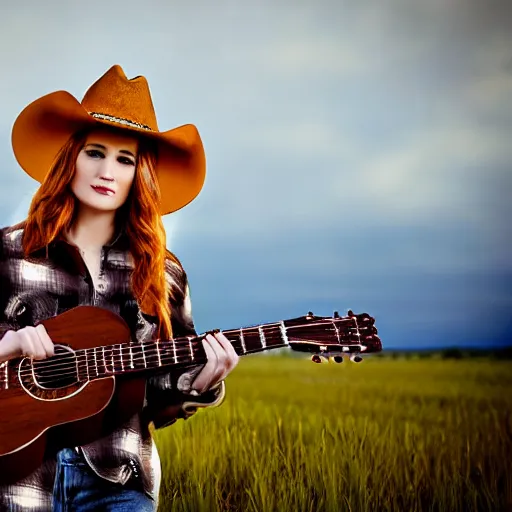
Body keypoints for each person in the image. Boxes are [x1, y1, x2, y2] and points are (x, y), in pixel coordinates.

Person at [0, 64, 239, 511]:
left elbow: (160, 394)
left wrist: (201, 383)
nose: (107, 170)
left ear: (139, 174)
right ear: (70, 157)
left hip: (116, 480)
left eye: (124, 159)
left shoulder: (162, 274)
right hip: (16, 481)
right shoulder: (8, 252)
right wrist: (8, 343)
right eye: (95, 152)